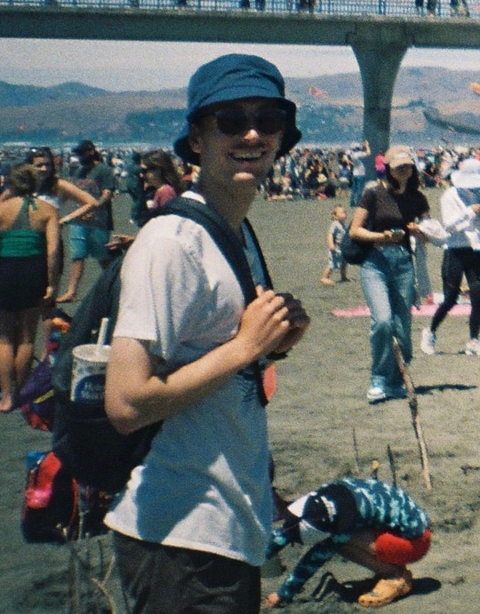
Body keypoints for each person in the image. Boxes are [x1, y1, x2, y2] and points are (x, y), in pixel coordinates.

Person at [104, 55, 309, 614]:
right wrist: (246, 346)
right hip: (178, 532)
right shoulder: (171, 241)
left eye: (268, 121)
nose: (251, 134)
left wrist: (272, 342)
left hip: (228, 524)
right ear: (196, 138)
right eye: (229, 120)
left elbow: (215, 359)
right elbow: (125, 402)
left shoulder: (235, 232)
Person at [266, 477, 431, 609]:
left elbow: (313, 560)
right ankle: (390, 566)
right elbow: (287, 531)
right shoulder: (324, 497)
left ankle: (394, 576)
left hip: (415, 542)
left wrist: (282, 594)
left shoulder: (345, 523)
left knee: (339, 543)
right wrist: (256, 557)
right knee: (339, 539)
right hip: (404, 526)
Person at [0, 162, 61, 411]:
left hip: (5, 271)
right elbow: (53, 251)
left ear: (11, 183)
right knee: (26, 338)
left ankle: (6, 397)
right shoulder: (48, 210)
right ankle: (24, 396)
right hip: (33, 271)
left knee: (5, 337)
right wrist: (52, 283)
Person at [350, 147, 428, 403]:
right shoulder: (373, 193)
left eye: (408, 166)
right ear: (389, 168)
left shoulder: (418, 198)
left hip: (404, 263)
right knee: (383, 321)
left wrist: (420, 232)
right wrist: (381, 237)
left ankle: (397, 378)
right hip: (375, 261)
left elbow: (431, 232)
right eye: (399, 167)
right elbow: (355, 231)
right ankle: (379, 378)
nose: (404, 171)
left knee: (402, 327)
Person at [425, 158, 480, 356]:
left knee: (478, 296)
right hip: (455, 249)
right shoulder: (449, 195)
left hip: (475, 249)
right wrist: (470, 212)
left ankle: (473, 340)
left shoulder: (478, 194)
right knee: (451, 298)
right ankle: (430, 331)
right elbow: (449, 225)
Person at [58, 140, 116, 303]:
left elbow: (107, 193)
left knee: (103, 256)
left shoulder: (103, 170)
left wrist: (96, 207)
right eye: (77, 154)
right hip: (79, 220)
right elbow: (72, 193)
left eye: (81, 153)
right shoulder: (80, 172)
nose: (79, 157)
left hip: (99, 221)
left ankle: (115, 285)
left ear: (91, 152)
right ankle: (71, 292)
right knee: (77, 255)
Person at [321, 206, 350, 286]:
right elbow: (330, 234)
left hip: (342, 249)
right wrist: (331, 244)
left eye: (345, 212)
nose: (344, 214)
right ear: (335, 216)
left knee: (344, 263)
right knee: (332, 264)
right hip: (335, 249)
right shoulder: (334, 224)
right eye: (341, 213)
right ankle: (325, 277)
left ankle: (343, 276)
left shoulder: (342, 224)